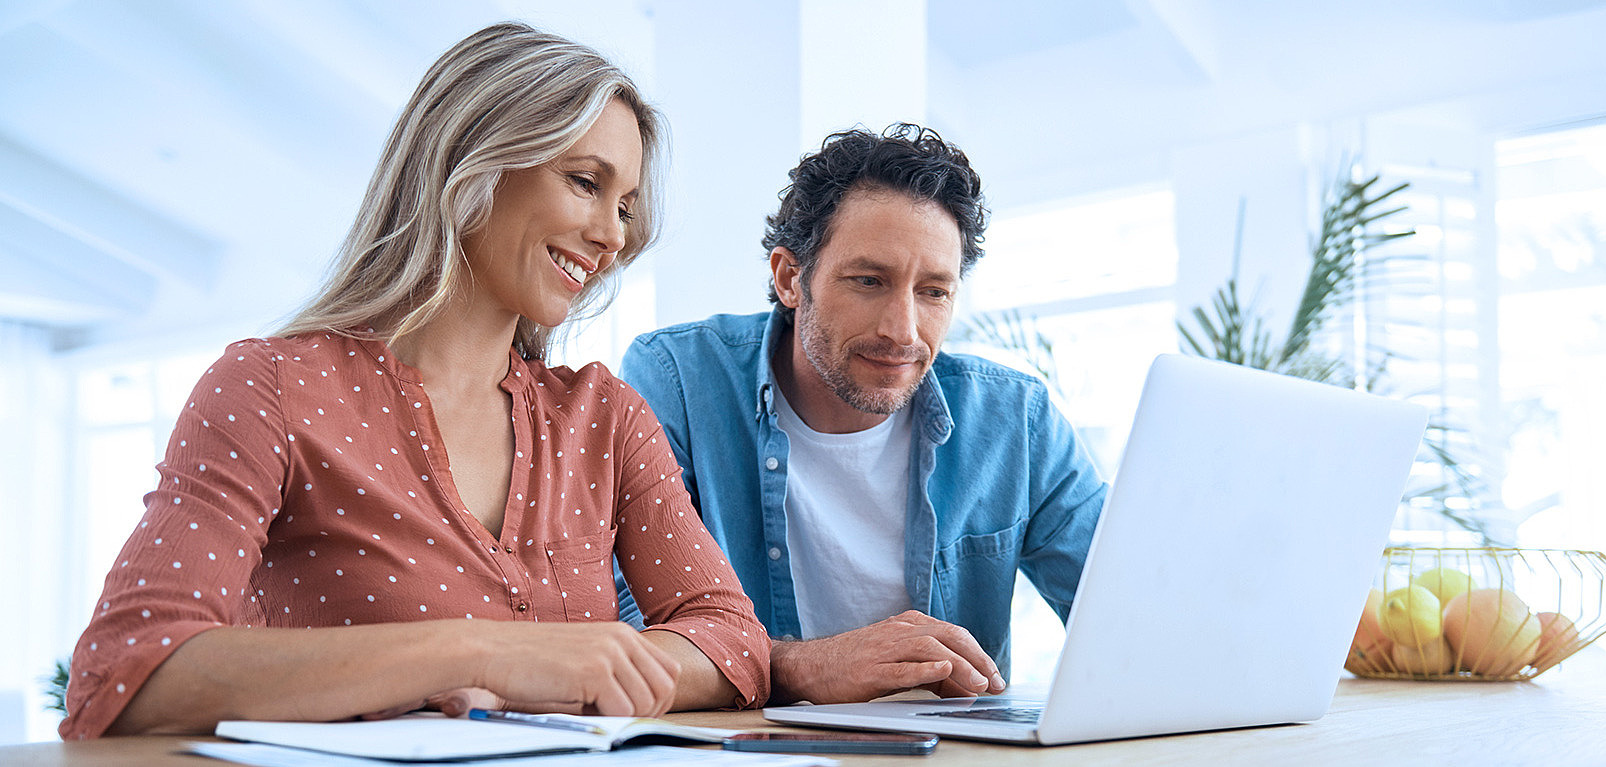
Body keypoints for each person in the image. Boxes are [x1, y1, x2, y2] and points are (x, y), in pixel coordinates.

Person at [59, 23, 769, 740]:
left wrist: (590, 672)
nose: (614, 236)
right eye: (586, 183)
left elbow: (733, 640)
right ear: (473, 161)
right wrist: (479, 650)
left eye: (624, 207)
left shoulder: (604, 418)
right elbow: (122, 673)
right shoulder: (268, 388)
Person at [612, 124, 1107, 705]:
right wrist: (805, 667)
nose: (903, 331)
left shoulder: (1016, 419)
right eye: (869, 281)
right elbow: (629, 631)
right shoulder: (679, 379)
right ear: (790, 277)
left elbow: (1128, 614)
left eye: (934, 292)